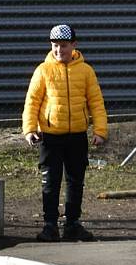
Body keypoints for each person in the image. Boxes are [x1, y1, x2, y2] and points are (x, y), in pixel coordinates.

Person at [22, 24, 108, 242]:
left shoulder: (86, 71)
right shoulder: (43, 70)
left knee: (75, 181)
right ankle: (50, 225)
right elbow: (32, 102)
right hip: (50, 136)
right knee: (50, 181)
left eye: (63, 45)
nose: (59, 50)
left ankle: (72, 224)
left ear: (74, 45)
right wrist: (30, 129)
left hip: (77, 135)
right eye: (55, 45)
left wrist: (100, 130)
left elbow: (96, 102)